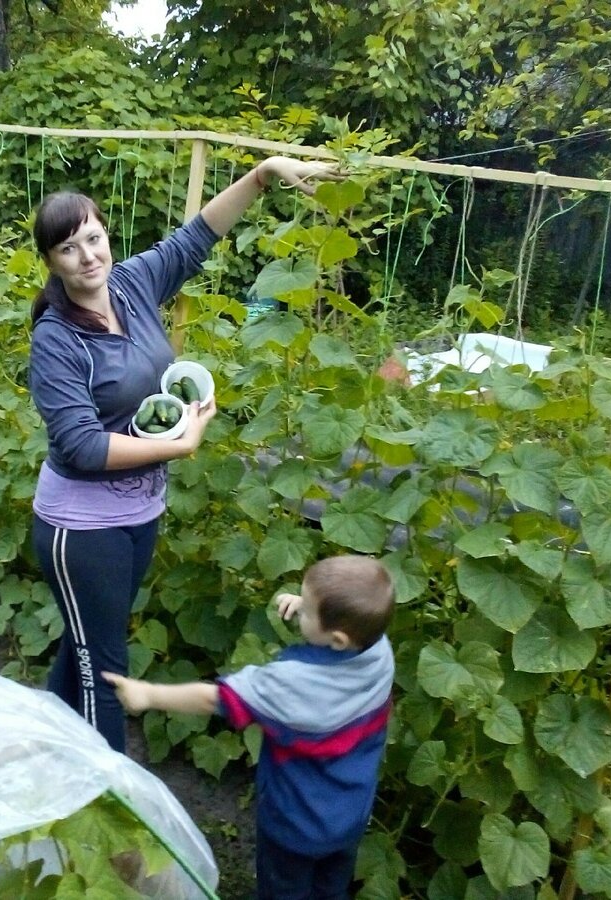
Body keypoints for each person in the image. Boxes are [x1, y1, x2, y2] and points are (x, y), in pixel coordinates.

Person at [28, 156, 340, 753]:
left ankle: (46, 749)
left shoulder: (132, 284)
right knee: (106, 673)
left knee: (87, 644)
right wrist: (179, 443)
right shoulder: (56, 340)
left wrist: (263, 174)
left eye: (93, 238)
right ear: (51, 263)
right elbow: (83, 445)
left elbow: (197, 236)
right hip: (81, 530)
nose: (87, 256)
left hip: (137, 514)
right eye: (69, 249)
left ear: (105, 234)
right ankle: (115, 823)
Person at [104, 555, 396, 900]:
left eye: (306, 612)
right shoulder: (378, 653)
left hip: (296, 823)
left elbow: (215, 699)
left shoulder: (292, 685)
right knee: (331, 887)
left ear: (337, 638)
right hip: (349, 815)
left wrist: (148, 694)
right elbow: (342, 635)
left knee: (284, 890)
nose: (299, 611)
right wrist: (308, 607)